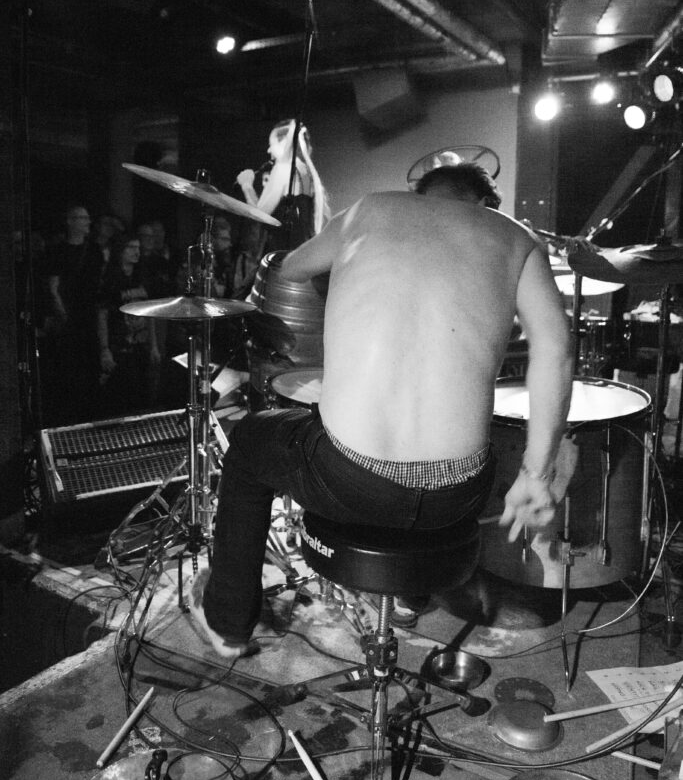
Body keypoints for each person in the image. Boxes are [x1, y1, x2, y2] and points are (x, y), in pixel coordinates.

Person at [190, 163, 574, 657]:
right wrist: (537, 475)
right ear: (486, 205)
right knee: (475, 453)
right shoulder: (517, 240)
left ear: (418, 193)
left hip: (349, 479)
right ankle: (408, 595)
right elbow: (557, 354)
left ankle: (230, 624)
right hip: (458, 493)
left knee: (248, 443)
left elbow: (290, 267)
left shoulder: (370, 209)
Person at [44, 204, 104, 423]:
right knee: (70, 366)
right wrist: (61, 311)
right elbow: (53, 285)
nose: (87, 222)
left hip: (89, 313)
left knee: (90, 365)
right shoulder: (58, 250)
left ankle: (90, 413)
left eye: (88, 218)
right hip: (70, 315)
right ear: (70, 221)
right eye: (82, 218)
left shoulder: (94, 250)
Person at [236, 119, 330, 251]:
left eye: (272, 144)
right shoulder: (307, 172)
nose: (269, 150)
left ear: (284, 142)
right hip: (305, 252)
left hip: (286, 255)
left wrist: (246, 185)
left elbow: (260, 214)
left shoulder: (284, 168)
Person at [97, 233, 160, 416]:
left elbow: (151, 312)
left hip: (141, 344)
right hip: (119, 345)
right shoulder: (110, 279)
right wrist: (104, 348)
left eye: (138, 248)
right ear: (120, 250)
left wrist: (154, 346)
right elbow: (102, 315)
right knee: (121, 394)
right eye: (131, 247)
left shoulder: (142, 277)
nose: (136, 252)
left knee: (142, 393)